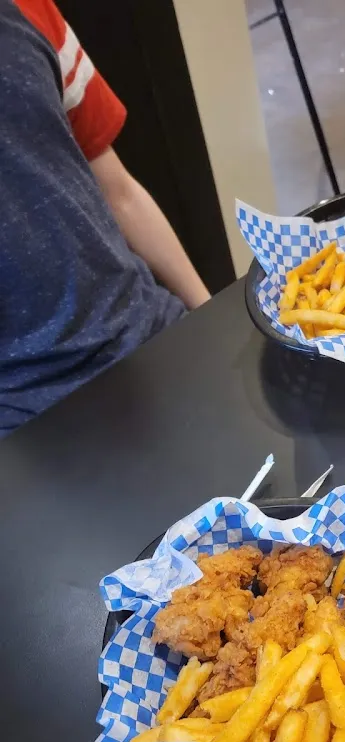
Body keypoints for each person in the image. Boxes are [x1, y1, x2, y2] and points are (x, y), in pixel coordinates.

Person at [0, 0, 211, 438]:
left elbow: (120, 191)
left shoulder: (30, 9)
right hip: (25, 419)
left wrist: (210, 316)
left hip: (150, 334)